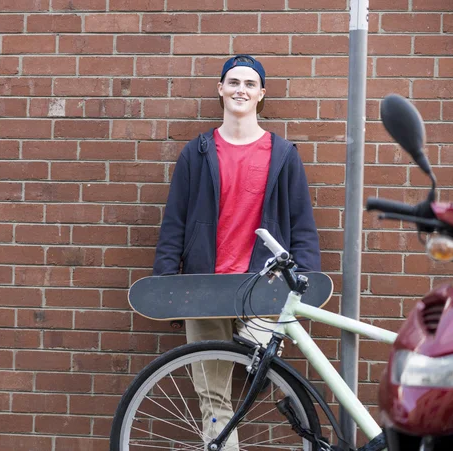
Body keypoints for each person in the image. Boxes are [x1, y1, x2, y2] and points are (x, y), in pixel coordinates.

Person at [152, 55, 321, 449]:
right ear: (221, 90)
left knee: (262, 373)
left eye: (249, 83)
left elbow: (302, 223)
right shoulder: (197, 153)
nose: (240, 89)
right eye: (232, 82)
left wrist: (307, 280)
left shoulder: (282, 155)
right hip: (205, 288)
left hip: (263, 288)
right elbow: (175, 221)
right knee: (212, 394)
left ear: (261, 94)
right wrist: (165, 286)